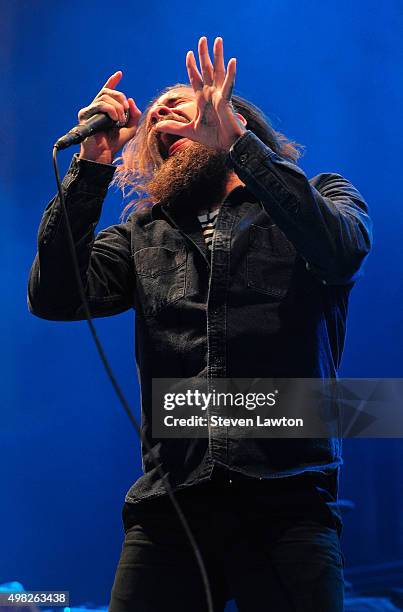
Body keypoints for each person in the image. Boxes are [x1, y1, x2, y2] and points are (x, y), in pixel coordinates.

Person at [28, 36, 372, 611]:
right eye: (155, 111)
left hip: (287, 502)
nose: (160, 109)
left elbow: (341, 251)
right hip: (170, 506)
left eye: (182, 101)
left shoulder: (321, 196)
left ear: (233, 115)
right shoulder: (142, 235)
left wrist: (237, 147)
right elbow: (55, 296)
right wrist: (92, 166)